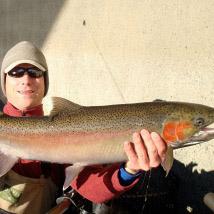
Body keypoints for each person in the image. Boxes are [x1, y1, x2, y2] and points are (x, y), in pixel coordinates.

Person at [0, 41, 167, 214]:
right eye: (16, 72)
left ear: (44, 82)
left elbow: (92, 188)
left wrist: (129, 171)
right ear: (4, 81)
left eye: (34, 72)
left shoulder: (68, 132)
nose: (26, 80)